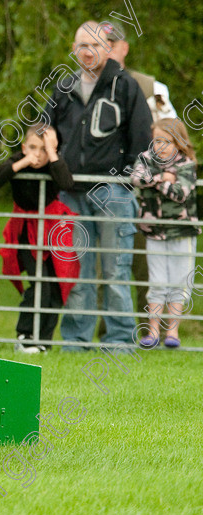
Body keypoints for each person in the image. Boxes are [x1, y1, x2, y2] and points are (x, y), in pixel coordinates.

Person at [42, 21, 152, 351]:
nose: (88, 52)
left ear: (107, 48)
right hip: (71, 192)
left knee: (116, 270)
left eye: (94, 46)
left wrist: (134, 176)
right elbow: (46, 130)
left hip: (113, 192)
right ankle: (76, 341)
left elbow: (142, 134)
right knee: (77, 268)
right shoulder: (64, 87)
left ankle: (119, 341)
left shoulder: (125, 86)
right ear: (74, 50)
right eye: (81, 46)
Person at [104, 21, 178, 319]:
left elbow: (172, 135)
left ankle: (148, 330)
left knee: (146, 264)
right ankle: (106, 332)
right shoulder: (84, 85)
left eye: (111, 44)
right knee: (106, 261)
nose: (106, 51)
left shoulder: (151, 87)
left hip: (144, 190)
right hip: (103, 189)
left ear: (124, 48)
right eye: (101, 44)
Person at [0, 124, 80, 353]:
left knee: (56, 285)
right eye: (34, 148)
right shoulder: (19, 160)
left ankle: (43, 341)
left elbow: (67, 183)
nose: (39, 155)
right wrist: (22, 163)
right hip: (26, 230)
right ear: (24, 147)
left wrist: (52, 153)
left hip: (52, 229)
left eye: (45, 149)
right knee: (39, 283)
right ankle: (25, 335)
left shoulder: (54, 164)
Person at [131, 118, 200, 349]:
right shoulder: (145, 159)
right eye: (156, 140)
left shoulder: (187, 164)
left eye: (166, 141)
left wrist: (154, 181)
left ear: (178, 142)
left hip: (182, 231)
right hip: (154, 231)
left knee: (180, 281)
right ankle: (152, 331)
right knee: (158, 280)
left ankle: (173, 330)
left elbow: (181, 193)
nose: (160, 146)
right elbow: (136, 178)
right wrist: (162, 178)